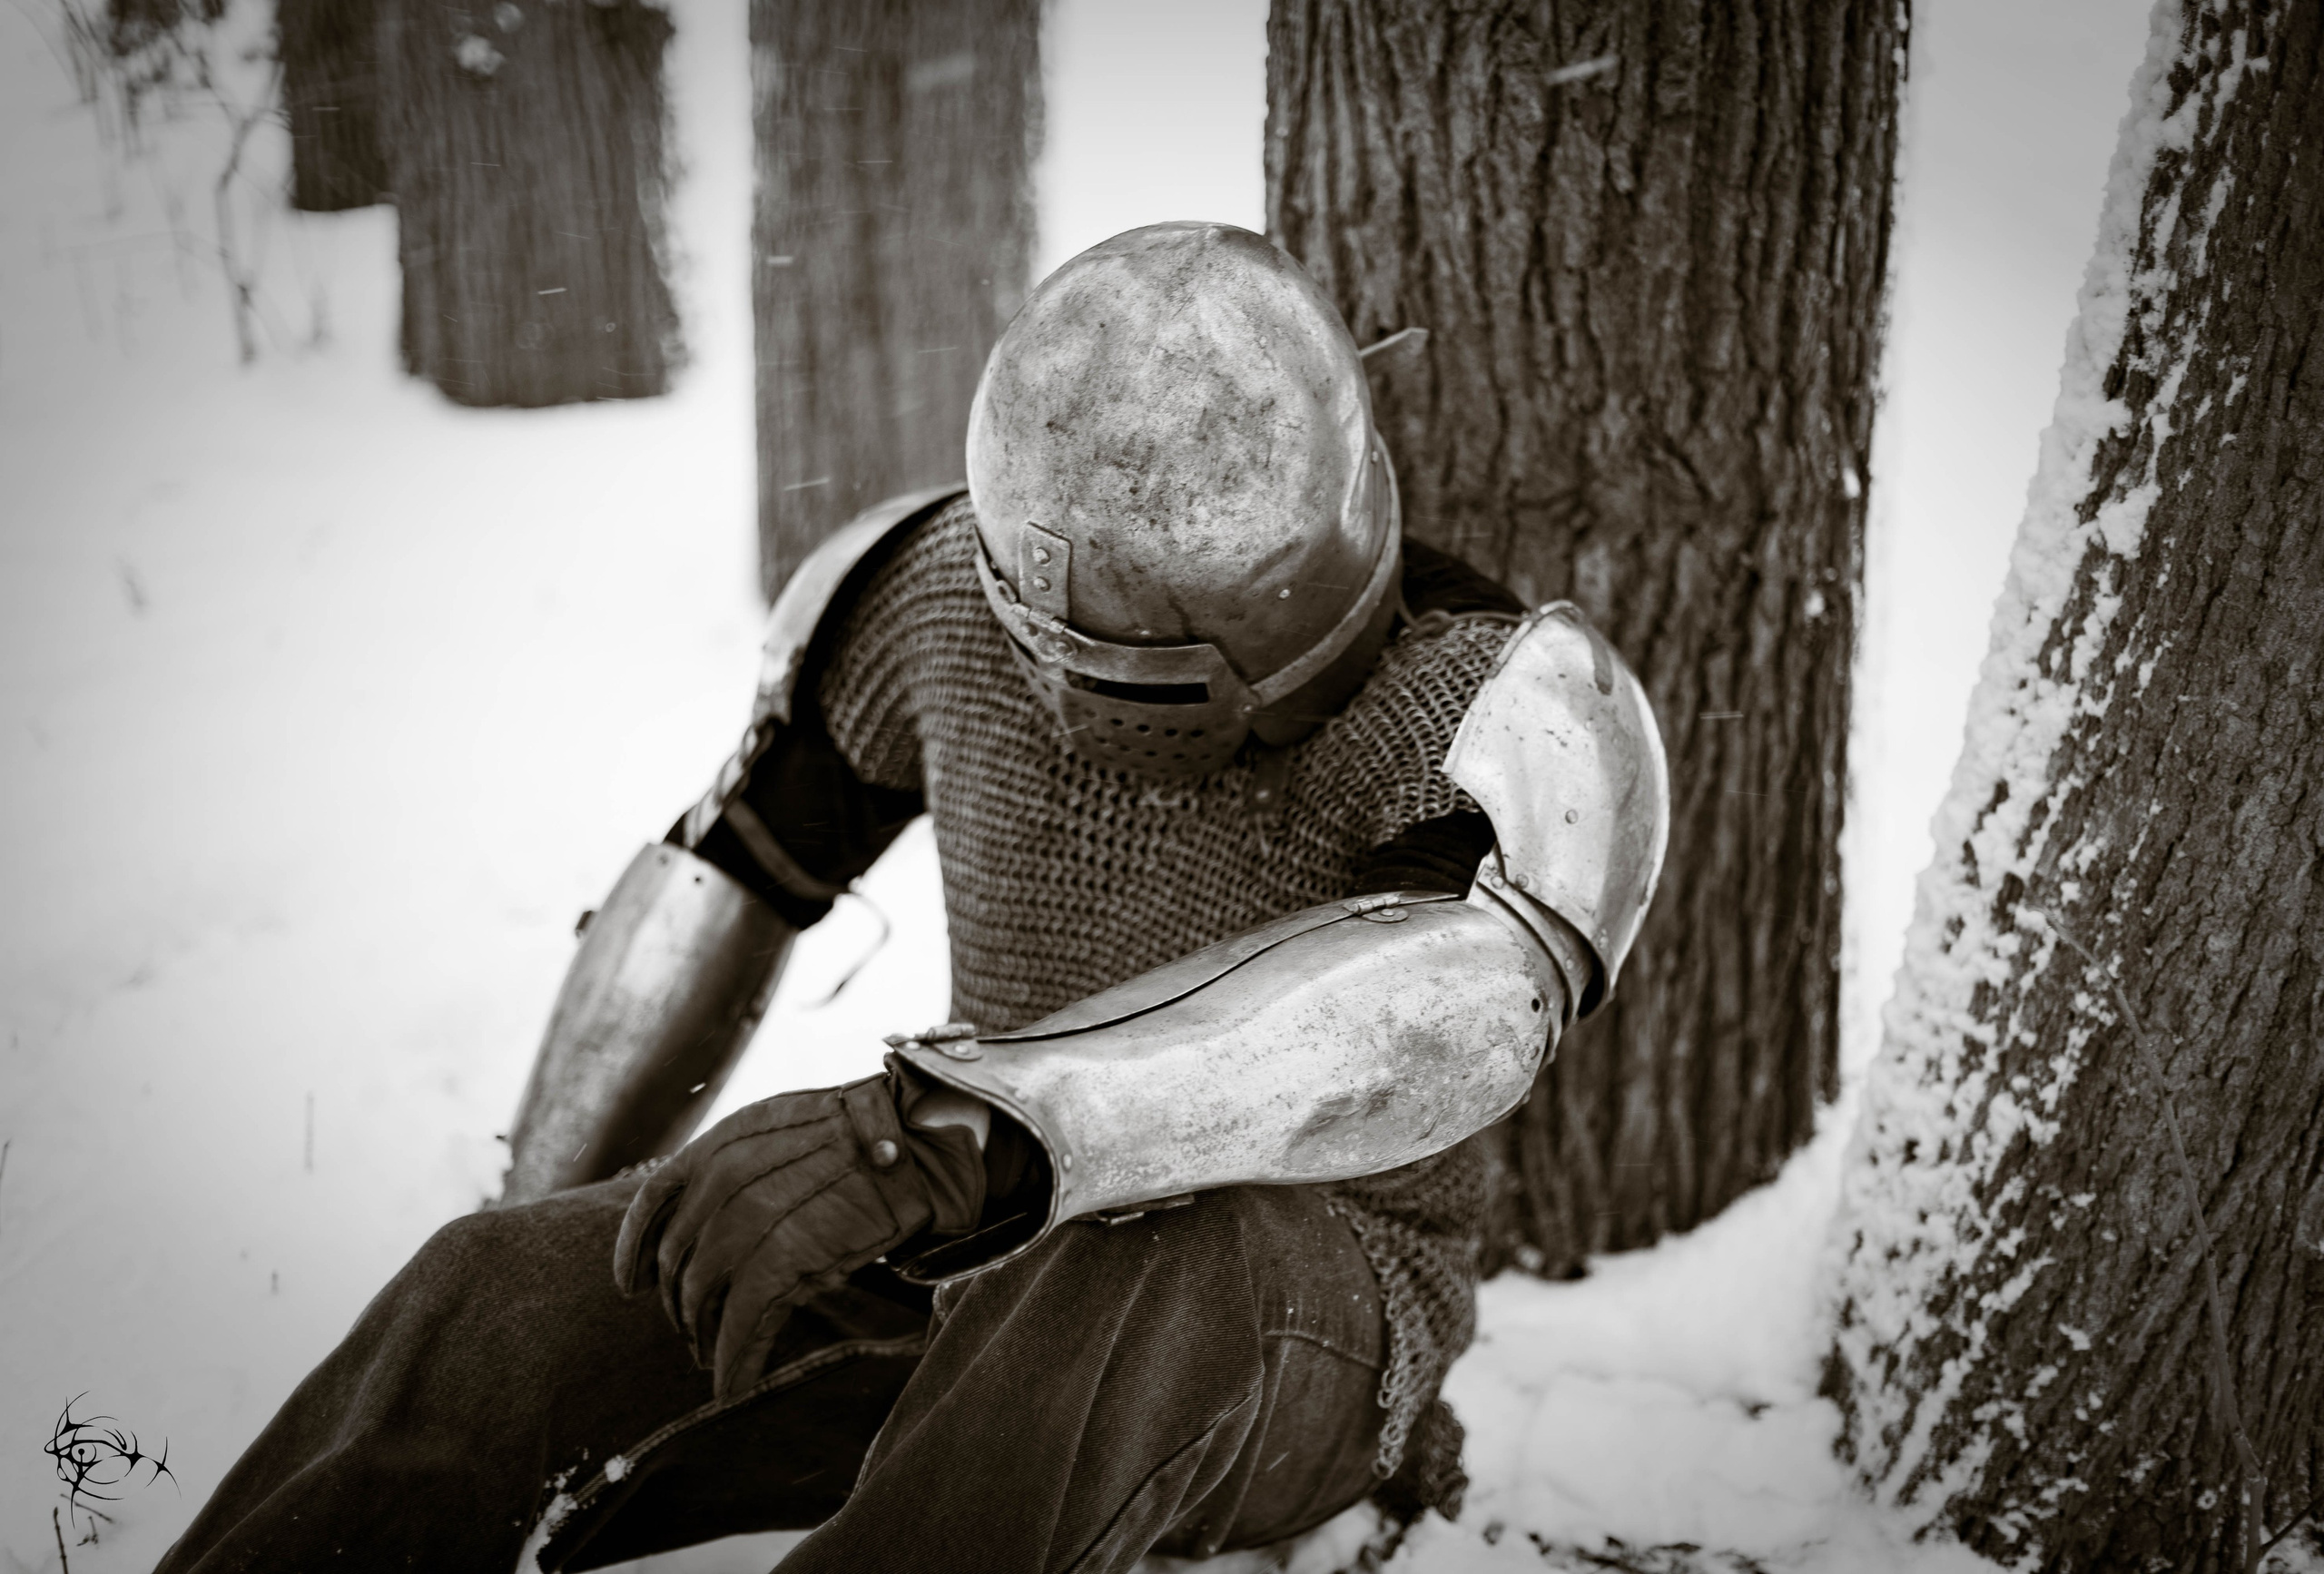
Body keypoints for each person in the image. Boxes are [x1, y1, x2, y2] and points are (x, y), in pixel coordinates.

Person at [154, 222, 1668, 1574]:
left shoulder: (1508, 721)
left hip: (1292, 1330)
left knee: (1159, 1263)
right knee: (510, 1291)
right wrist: (580, 1220)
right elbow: (731, 870)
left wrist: (945, 1137)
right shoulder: (935, 594)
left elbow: (1430, 1013)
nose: (1117, 696)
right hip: (973, 1240)